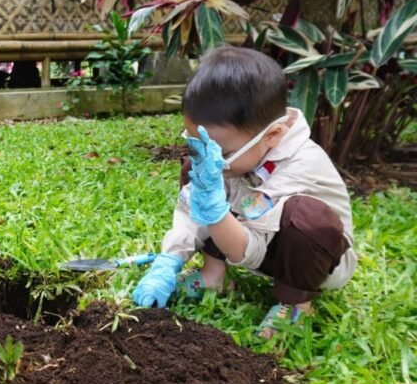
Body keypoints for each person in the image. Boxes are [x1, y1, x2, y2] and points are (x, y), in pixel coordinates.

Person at [132, 46, 357, 338]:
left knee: (304, 216)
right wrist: (170, 259)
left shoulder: (298, 167)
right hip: (247, 228)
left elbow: (249, 249)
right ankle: (213, 275)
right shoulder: (233, 158)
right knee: (197, 170)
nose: (210, 157)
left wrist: (216, 213)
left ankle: (297, 304)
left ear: (272, 135)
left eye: (221, 151)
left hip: (312, 257)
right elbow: (193, 210)